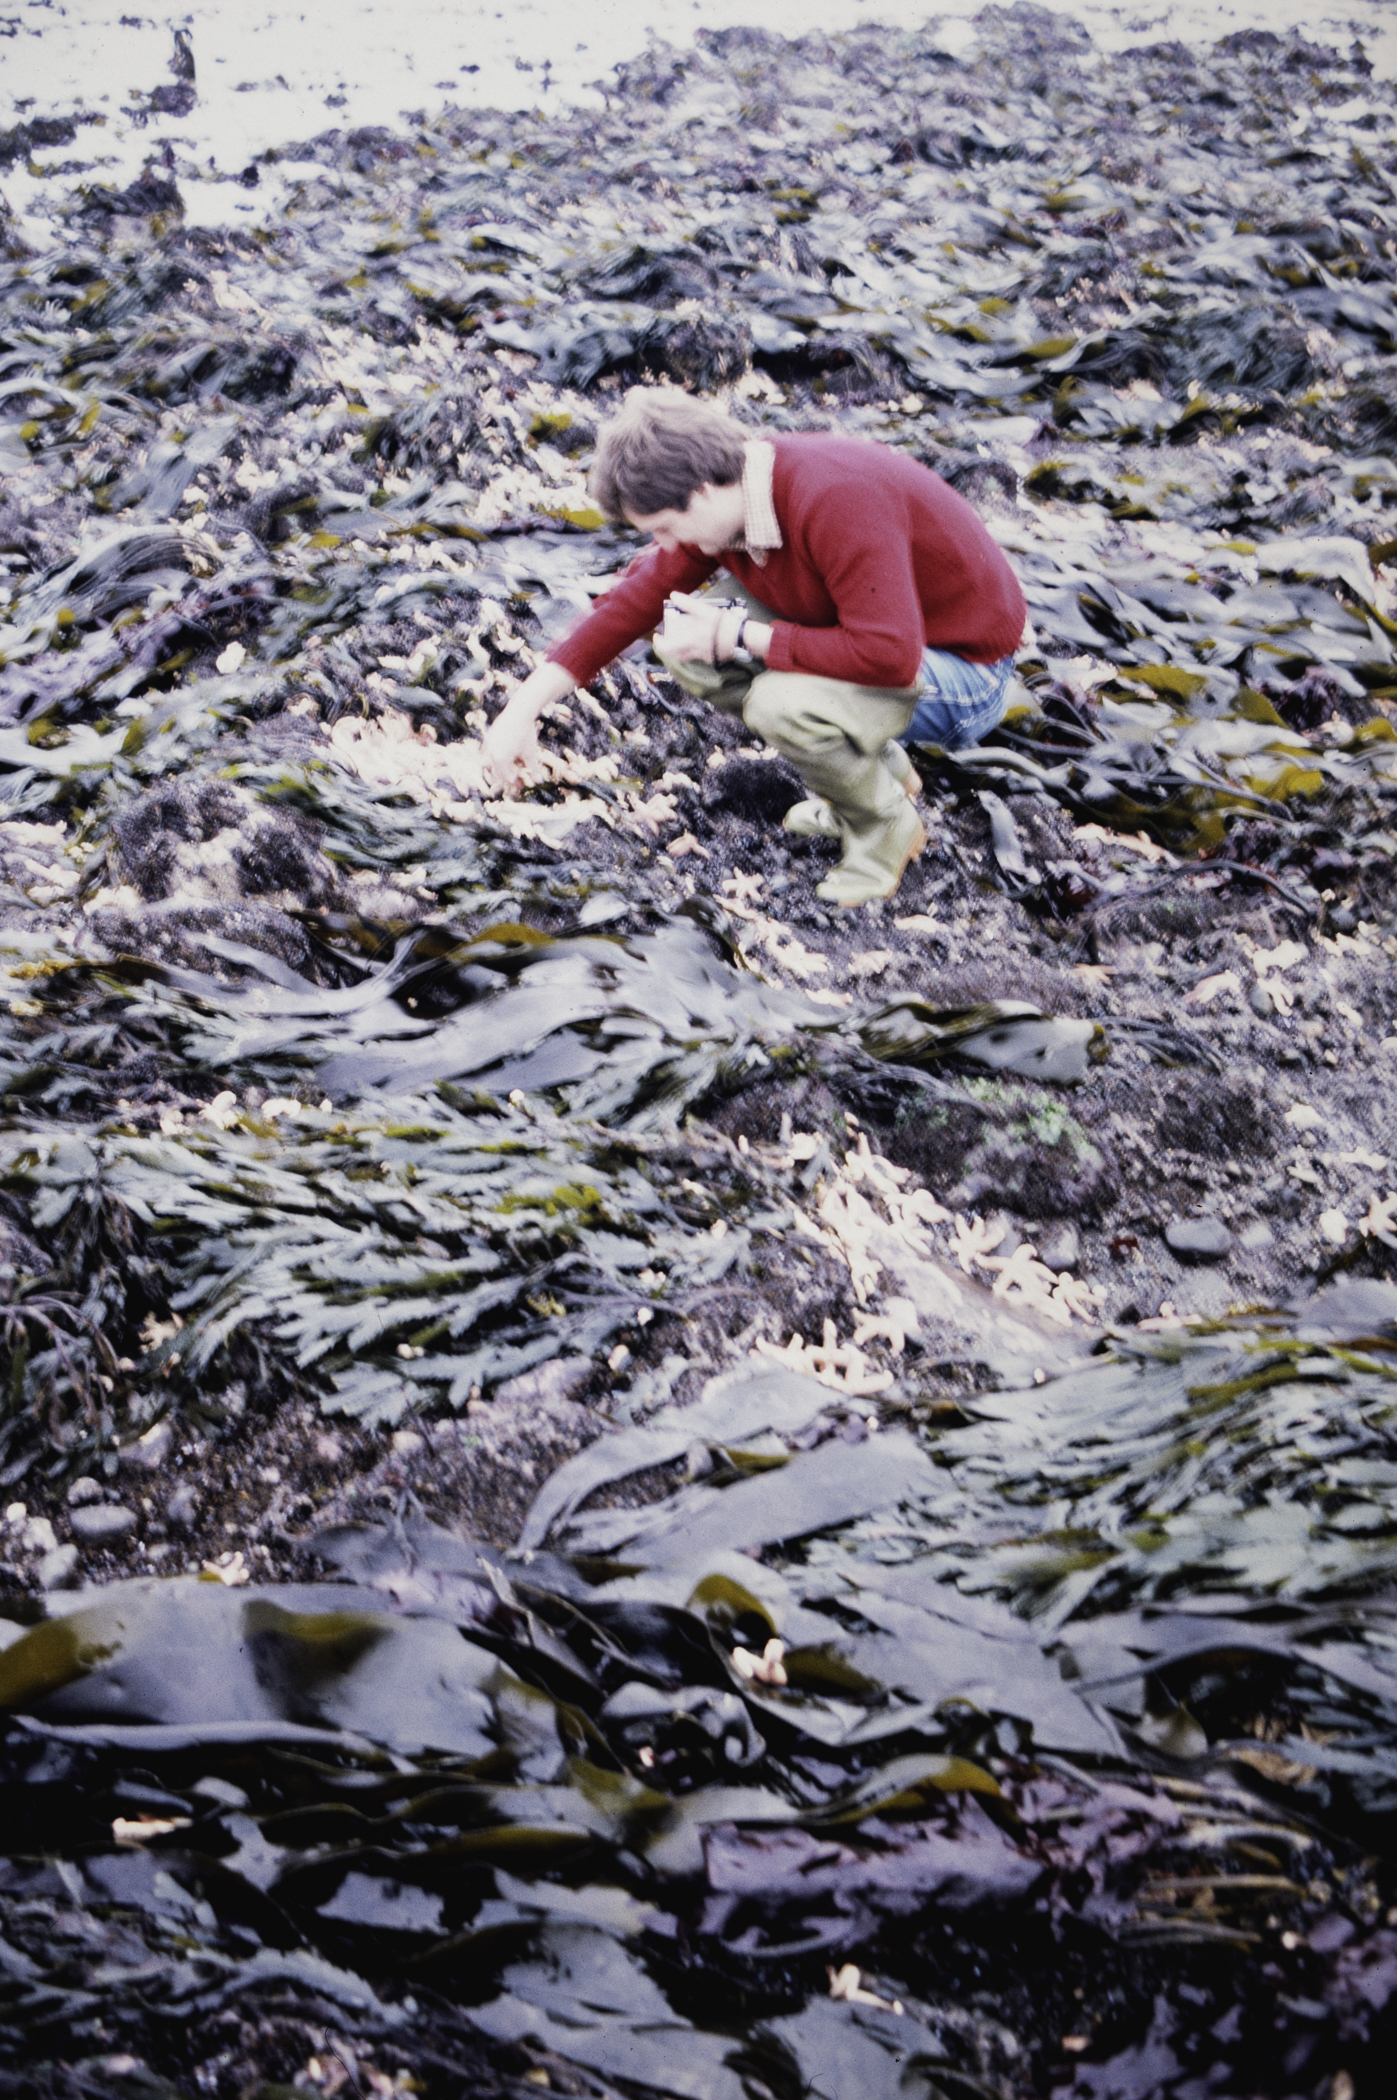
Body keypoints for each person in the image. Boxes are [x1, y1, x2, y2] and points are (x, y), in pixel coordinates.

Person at [480, 390, 1027, 907]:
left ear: (701, 489)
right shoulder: (727, 507)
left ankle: (883, 823)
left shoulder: (834, 497)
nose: (667, 546)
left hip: (964, 673)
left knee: (779, 702)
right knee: (681, 636)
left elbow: (890, 656)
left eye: (667, 528)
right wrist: (521, 709)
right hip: (886, 643)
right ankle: (877, 774)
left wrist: (740, 637)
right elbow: (631, 605)